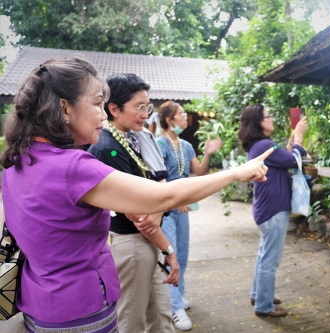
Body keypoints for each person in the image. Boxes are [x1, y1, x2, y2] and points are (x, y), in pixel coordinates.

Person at [1, 58, 273, 333]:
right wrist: (237, 173)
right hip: (81, 308)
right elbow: (165, 196)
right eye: (97, 104)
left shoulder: (17, 160)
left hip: (39, 306)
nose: (103, 115)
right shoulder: (74, 166)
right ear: (64, 108)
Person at [87, 73, 179, 333]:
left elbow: (156, 194)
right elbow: (139, 215)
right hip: (132, 243)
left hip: (148, 240)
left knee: (160, 315)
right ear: (113, 108)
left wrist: (158, 208)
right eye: (139, 106)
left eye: (147, 106)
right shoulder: (107, 147)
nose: (145, 113)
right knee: (131, 319)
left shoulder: (133, 140)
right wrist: (169, 250)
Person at [156, 101, 222, 330]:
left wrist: (208, 153)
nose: (185, 118)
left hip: (184, 206)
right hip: (167, 208)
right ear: (169, 120)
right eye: (181, 114)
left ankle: (178, 295)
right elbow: (157, 176)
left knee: (182, 255)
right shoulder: (159, 144)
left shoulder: (186, 144)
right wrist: (177, 197)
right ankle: (174, 308)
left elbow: (199, 171)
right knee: (170, 254)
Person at [238, 103, 308, 317]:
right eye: (268, 116)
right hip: (273, 209)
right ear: (259, 122)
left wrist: (292, 140)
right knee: (270, 260)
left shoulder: (261, 145)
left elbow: (283, 157)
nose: (271, 119)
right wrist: (299, 138)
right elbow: (293, 161)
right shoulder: (262, 145)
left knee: (263, 256)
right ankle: (264, 306)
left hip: (267, 208)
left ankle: (259, 294)